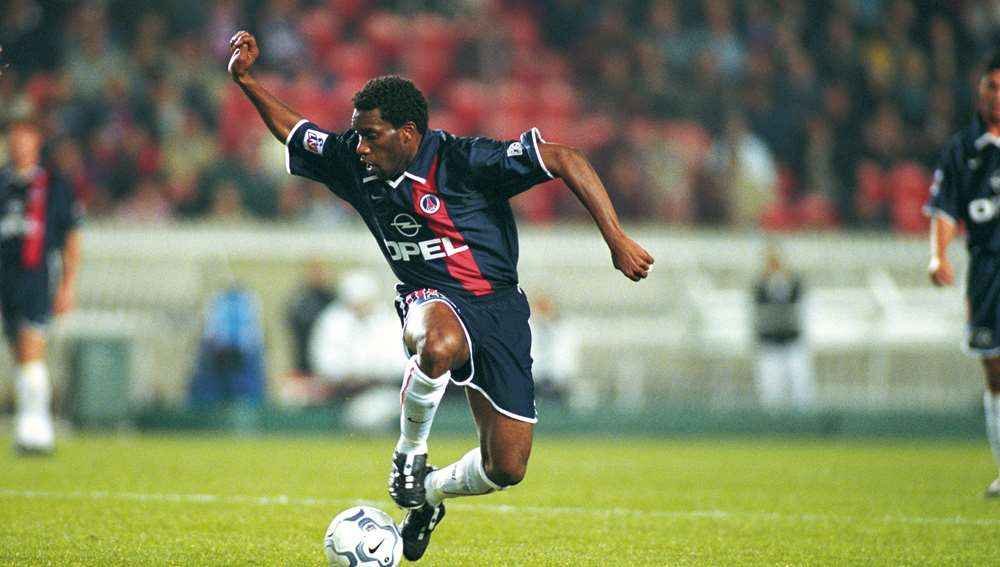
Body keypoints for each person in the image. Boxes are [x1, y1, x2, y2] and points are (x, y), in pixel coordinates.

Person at [227, 30, 655, 561]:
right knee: (438, 342)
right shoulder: (353, 160)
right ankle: (408, 455)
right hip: (426, 298)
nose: (358, 146)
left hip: (499, 307)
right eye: (357, 135)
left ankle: (426, 496)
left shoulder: (465, 161)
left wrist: (615, 239)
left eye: (371, 135)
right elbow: (297, 132)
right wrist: (246, 81)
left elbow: (564, 157)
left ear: (407, 133)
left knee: (507, 468)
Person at [926, 49, 1000, 498]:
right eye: (992, 86)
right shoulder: (963, 149)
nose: (998, 96)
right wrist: (938, 256)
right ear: (979, 90)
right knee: (994, 372)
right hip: (989, 269)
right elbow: (945, 209)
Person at [0, 119, 82, 454]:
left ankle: (37, 428)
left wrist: (67, 284)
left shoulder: (54, 185)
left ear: (36, 142)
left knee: (32, 348)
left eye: (25, 137)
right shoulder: (3, 184)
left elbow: (71, 237)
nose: (18, 144)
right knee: (19, 352)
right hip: (4, 276)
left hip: (34, 276)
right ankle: (29, 426)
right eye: (13, 137)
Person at [751, 244, 815, 413]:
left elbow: (805, 313)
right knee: (770, 388)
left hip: (792, 341)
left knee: (801, 385)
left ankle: (803, 424)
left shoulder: (795, 285)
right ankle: (772, 425)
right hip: (769, 343)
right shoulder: (759, 287)